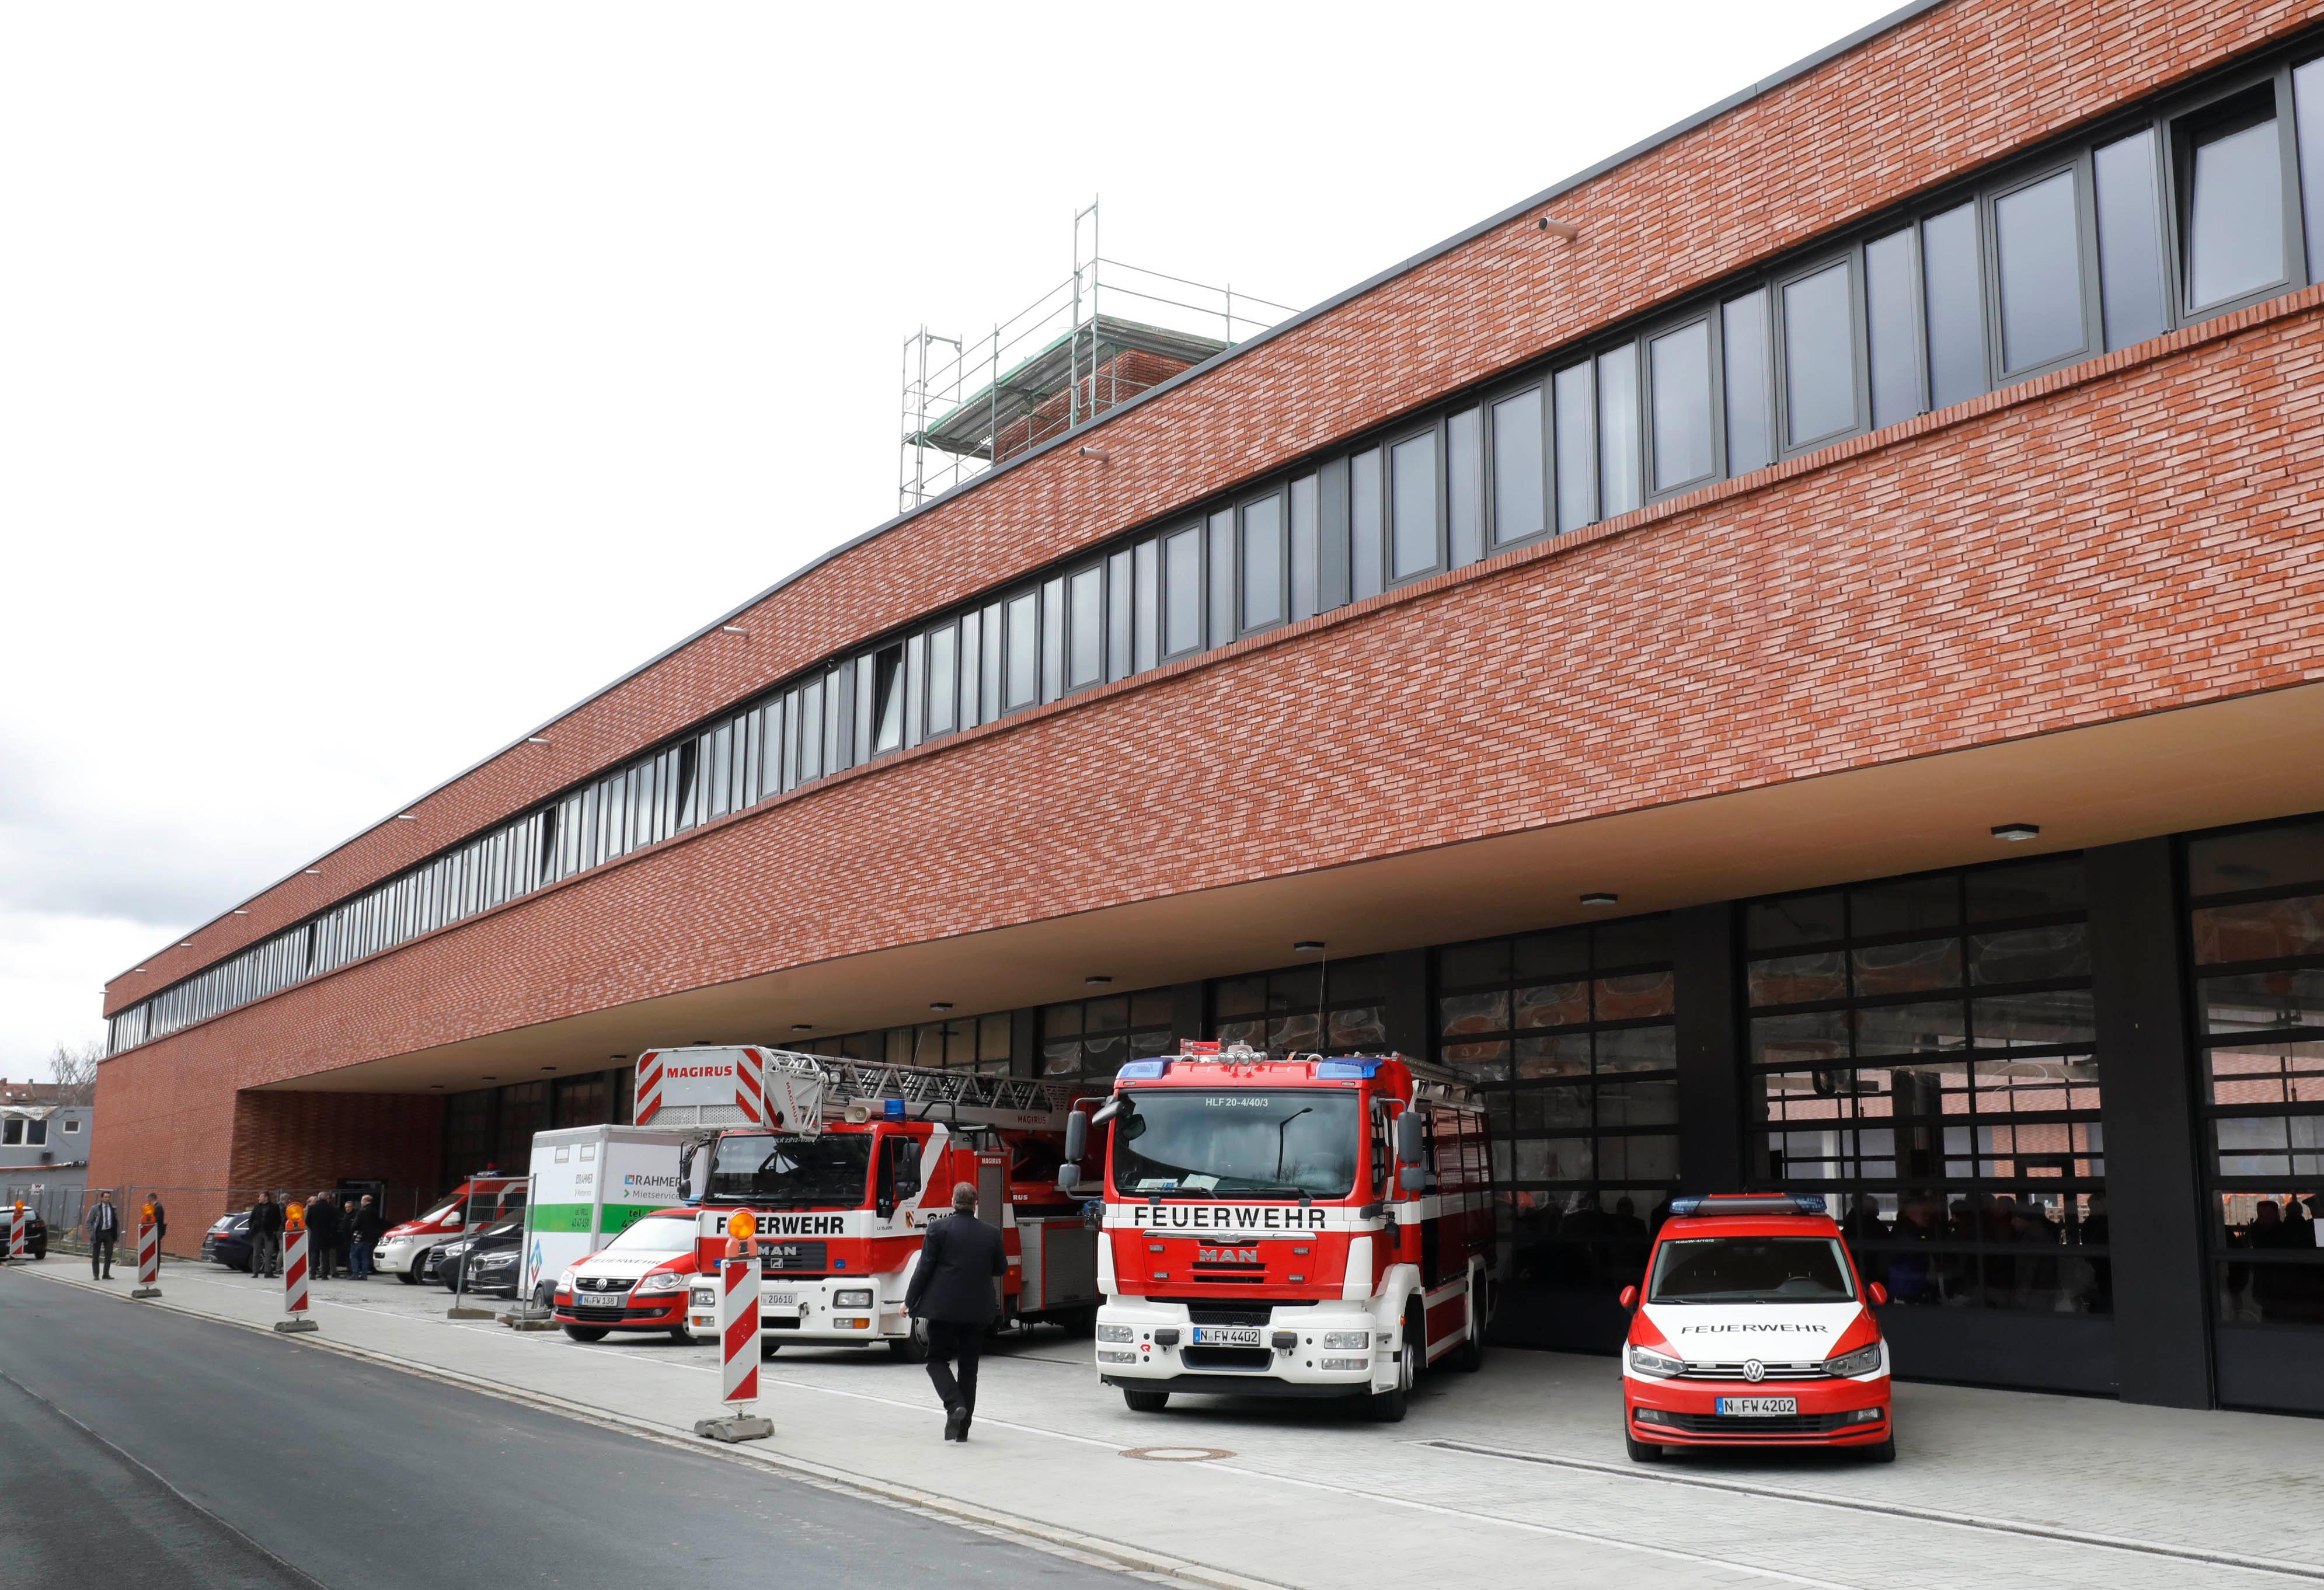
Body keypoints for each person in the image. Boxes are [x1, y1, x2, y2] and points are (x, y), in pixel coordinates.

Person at [904, 1181, 1007, 1442]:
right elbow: (1001, 1269)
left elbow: (924, 1269)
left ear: (952, 1202)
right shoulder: (991, 1233)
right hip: (978, 1311)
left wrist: (909, 1302)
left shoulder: (938, 1229)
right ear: (976, 1205)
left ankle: (954, 1404)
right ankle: (963, 1432)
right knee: (969, 1370)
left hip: (944, 1310)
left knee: (936, 1360)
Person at [84, 1191, 121, 1279]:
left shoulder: (113, 1208)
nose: (107, 1199)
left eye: (109, 1197)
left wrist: (116, 1233)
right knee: (96, 1255)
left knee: (109, 1254)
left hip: (109, 1233)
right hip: (98, 1233)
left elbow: (116, 1222)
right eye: (106, 1197)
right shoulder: (95, 1208)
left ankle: (106, 1274)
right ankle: (96, 1275)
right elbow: (89, 1222)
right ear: (102, 1198)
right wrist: (92, 1232)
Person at [347, 1195, 385, 1280]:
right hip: (369, 1237)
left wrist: (352, 1230)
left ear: (365, 1201)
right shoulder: (374, 1211)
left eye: (362, 1200)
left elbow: (356, 1224)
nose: (361, 1202)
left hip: (359, 1237)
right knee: (365, 1257)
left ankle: (355, 1274)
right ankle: (364, 1275)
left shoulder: (362, 1211)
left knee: (354, 1255)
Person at [248, 1191, 284, 1278]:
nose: (259, 1198)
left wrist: (274, 1230)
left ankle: (268, 1272)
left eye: (261, 1197)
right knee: (256, 1253)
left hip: (269, 1233)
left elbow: (278, 1220)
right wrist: (252, 1228)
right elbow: (251, 1219)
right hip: (257, 1232)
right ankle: (255, 1272)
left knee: (269, 1253)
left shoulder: (274, 1207)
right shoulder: (257, 1207)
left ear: (266, 1198)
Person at [307, 1192, 339, 1281]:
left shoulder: (312, 1208)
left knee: (314, 1254)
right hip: (326, 1235)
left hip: (315, 1234)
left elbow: (308, 1221)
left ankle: (313, 1274)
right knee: (325, 1254)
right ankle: (324, 1274)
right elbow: (335, 1222)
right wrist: (330, 1231)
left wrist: (313, 1228)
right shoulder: (331, 1208)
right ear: (326, 1198)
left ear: (318, 1198)